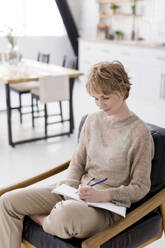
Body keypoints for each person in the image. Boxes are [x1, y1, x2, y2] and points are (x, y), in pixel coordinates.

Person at [0, 61, 154, 247]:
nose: (100, 104)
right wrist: (69, 189)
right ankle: (58, 210)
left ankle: (42, 219)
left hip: (105, 209)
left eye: (105, 97)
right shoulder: (92, 120)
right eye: (95, 98)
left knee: (65, 217)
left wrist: (103, 195)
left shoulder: (139, 133)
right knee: (6, 202)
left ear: (122, 90)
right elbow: (77, 161)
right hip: (76, 193)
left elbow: (140, 187)